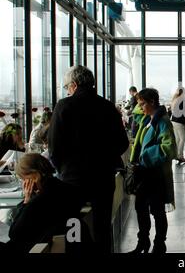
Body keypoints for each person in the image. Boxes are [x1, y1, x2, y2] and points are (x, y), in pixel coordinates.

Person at [48, 65, 129, 253]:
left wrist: (64, 169)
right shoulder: (108, 107)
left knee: (73, 224)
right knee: (102, 226)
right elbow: (122, 143)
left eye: (67, 86)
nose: (67, 90)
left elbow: (54, 147)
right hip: (103, 178)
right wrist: (106, 160)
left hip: (72, 180)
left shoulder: (64, 106)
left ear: (74, 85)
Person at [0, 154, 86, 253]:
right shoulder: (69, 189)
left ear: (35, 176)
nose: (23, 183)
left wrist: (26, 200)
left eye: (23, 179)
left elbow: (14, 234)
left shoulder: (38, 202)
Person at [129, 88, 176, 254]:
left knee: (157, 211)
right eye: (140, 104)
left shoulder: (162, 122)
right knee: (140, 208)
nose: (140, 107)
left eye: (143, 104)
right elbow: (135, 110)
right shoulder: (146, 119)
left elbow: (169, 149)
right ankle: (143, 242)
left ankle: (159, 244)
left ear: (152, 103)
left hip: (155, 175)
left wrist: (145, 156)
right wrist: (137, 98)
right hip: (143, 174)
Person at [171, 87, 185, 164]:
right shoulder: (182, 99)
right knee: (182, 139)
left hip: (174, 121)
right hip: (179, 122)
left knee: (177, 139)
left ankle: (176, 155)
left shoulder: (175, 99)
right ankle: (180, 156)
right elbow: (184, 113)